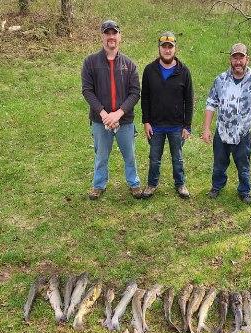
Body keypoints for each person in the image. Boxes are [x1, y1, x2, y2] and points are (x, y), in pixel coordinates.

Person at [201, 43, 251, 204]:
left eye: (241, 57)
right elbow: (211, 104)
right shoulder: (220, 80)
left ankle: (244, 191)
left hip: (243, 134)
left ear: (247, 59)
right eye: (235, 57)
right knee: (219, 163)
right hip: (222, 131)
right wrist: (206, 129)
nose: (238, 61)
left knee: (243, 165)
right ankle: (217, 186)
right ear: (230, 59)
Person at [81, 19, 142, 200]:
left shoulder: (129, 65)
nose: (111, 37)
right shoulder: (90, 62)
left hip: (124, 120)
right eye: (107, 33)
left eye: (114, 33)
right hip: (101, 121)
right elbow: (87, 90)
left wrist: (118, 113)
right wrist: (104, 113)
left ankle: (134, 183)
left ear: (119, 36)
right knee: (101, 156)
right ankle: (98, 185)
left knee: (129, 155)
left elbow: (135, 93)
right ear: (102, 36)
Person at [141, 31, 194, 199]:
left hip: (176, 126)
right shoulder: (149, 70)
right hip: (155, 125)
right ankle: (151, 184)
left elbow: (189, 100)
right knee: (154, 158)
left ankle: (180, 184)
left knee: (177, 158)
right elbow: (145, 98)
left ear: (175, 49)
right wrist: (146, 122)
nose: (167, 50)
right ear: (159, 49)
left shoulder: (183, 71)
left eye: (170, 47)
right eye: (164, 47)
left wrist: (187, 125)